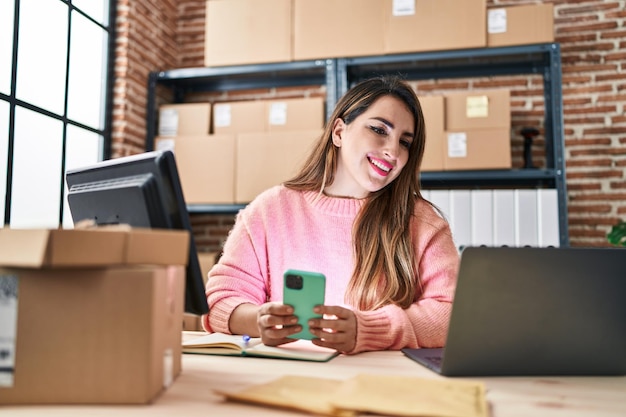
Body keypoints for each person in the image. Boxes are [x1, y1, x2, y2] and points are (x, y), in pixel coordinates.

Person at [203, 75, 459, 354]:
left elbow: (452, 313)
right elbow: (221, 300)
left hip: (383, 385)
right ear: (339, 132)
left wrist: (370, 329)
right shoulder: (270, 210)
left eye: (405, 142)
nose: (393, 151)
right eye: (379, 130)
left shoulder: (422, 222)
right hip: (289, 378)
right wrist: (257, 321)